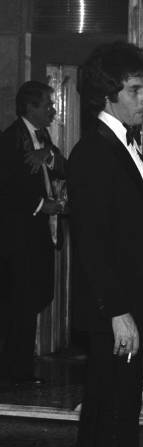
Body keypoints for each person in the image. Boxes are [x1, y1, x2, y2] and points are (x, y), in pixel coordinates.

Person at [66, 42, 143, 447]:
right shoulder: (94, 152)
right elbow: (92, 244)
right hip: (115, 313)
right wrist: (117, 311)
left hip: (127, 310)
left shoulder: (122, 145)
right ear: (109, 96)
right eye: (136, 89)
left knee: (121, 417)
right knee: (109, 417)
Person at [0, 81, 66, 385]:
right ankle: (17, 373)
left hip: (39, 236)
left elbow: (61, 167)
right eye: (47, 105)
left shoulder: (43, 138)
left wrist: (48, 155)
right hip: (18, 239)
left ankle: (20, 369)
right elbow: (7, 191)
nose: (52, 110)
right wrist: (43, 205)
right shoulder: (10, 140)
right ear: (30, 107)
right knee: (19, 304)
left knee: (35, 297)